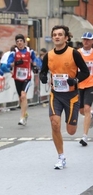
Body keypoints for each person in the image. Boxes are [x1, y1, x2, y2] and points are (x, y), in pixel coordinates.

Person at [39, 25, 90, 170]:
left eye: (60, 34)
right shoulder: (48, 55)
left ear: (66, 38)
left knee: (71, 131)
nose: (56, 37)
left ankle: (82, 120)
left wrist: (75, 80)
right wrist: (43, 77)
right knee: (54, 123)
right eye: (54, 34)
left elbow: (85, 72)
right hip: (56, 95)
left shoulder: (73, 53)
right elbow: (43, 72)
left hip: (72, 96)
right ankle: (61, 157)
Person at [7, 34, 39, 126]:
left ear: (24, 42)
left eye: (21, 41)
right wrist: (16, 63)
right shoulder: (14, 52)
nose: (19, 43)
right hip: (17, 77)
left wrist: (35, 65)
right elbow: (8, 64)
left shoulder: (30, 51)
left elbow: (35, 60)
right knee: (21, 98)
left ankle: (22, 118)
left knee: (23, 95)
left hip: (27, 77)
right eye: (17, 41)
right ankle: (25, 114)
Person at [77, 32, 93, 146]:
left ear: (92, 41)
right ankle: (91, 116)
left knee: (87, 108)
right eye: (84, 39)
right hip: (79, 84)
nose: (86, 41)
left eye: (88, 40)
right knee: (81, 110)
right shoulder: (77, 53)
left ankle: (84, 137)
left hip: (91, 84)